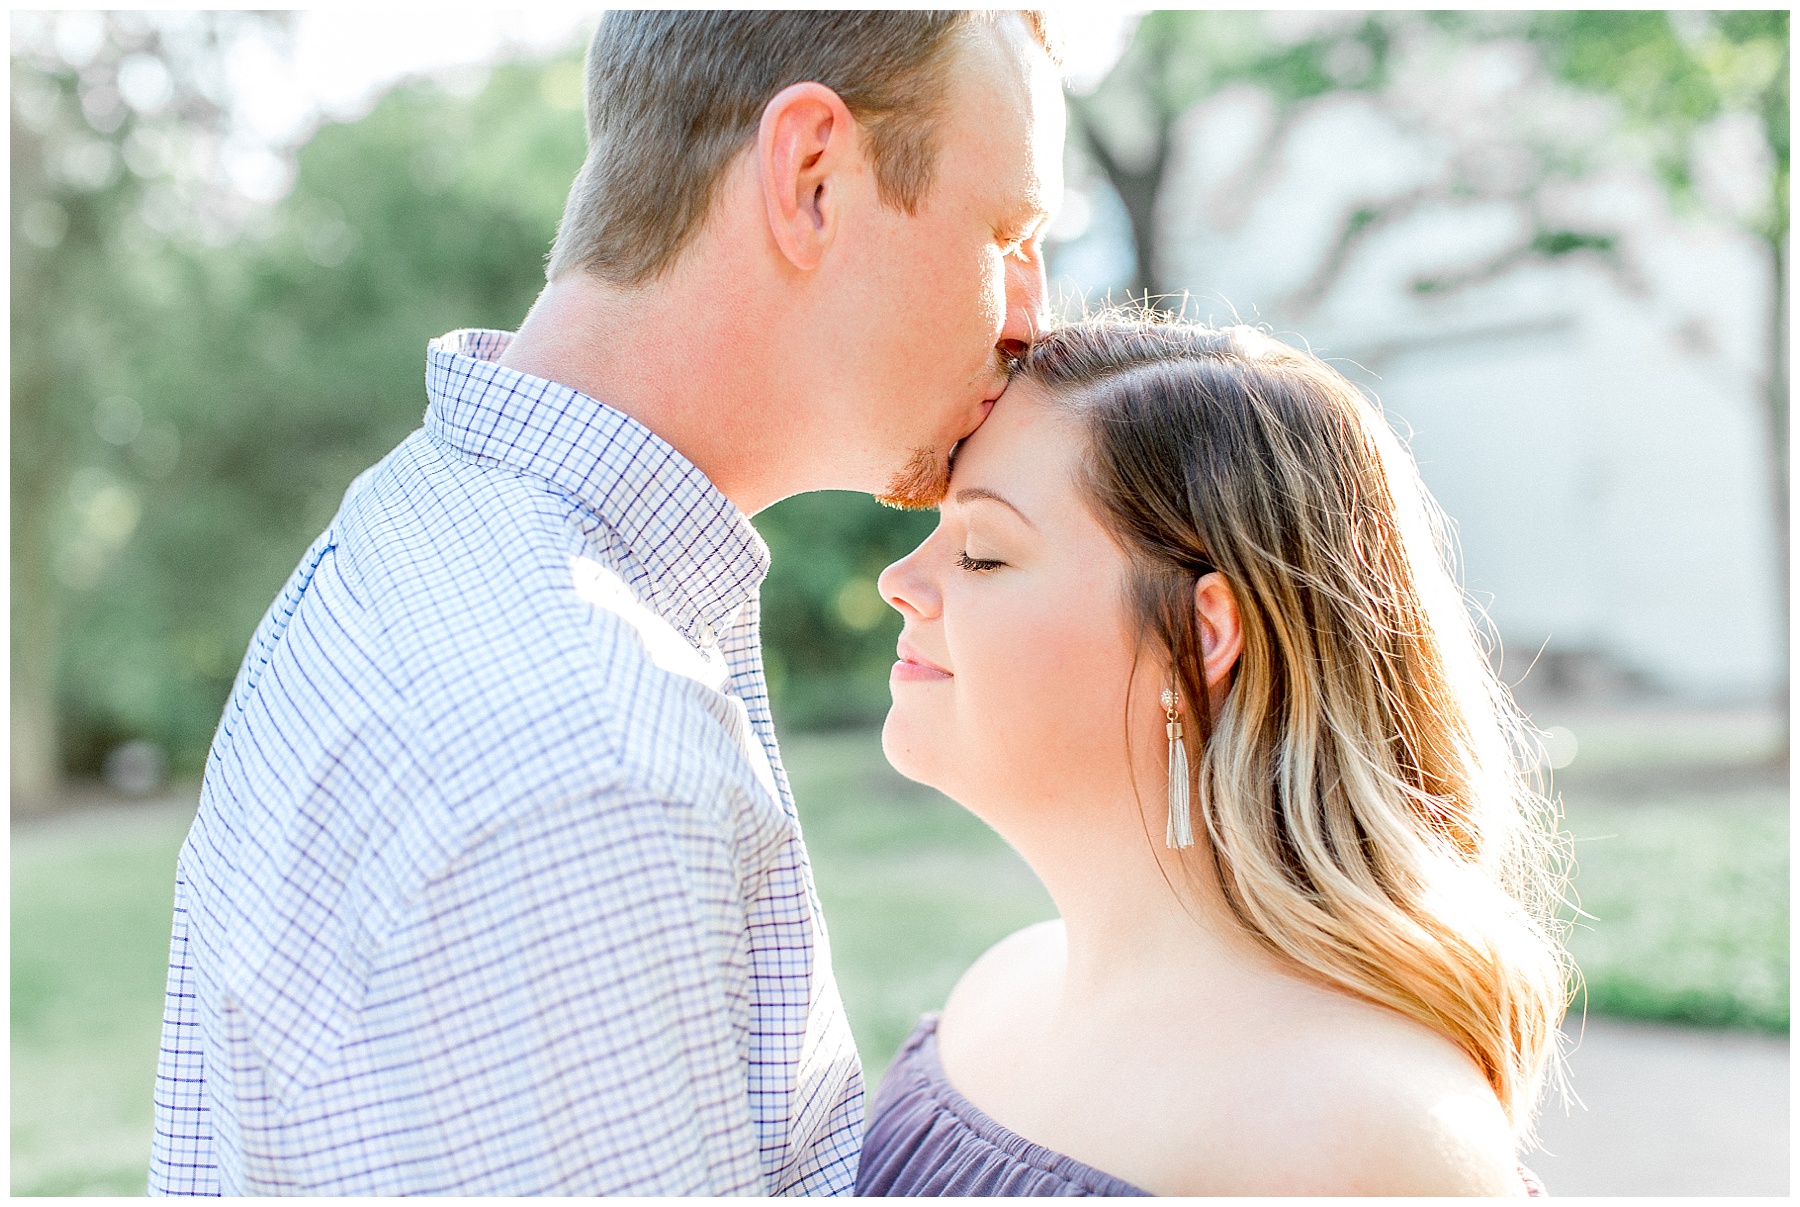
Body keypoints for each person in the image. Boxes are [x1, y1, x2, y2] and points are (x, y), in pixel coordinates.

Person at [148, 12, 1063, 1196]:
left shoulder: (431, 529)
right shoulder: (582, 745)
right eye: (1009, 232)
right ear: (813, 178)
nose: (1029, 314)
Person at [856, 314, 1571, 1196]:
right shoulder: (989, 996)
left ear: (1202, 634)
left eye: (981, 553)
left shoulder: (1353, 1130)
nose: (899, 580)